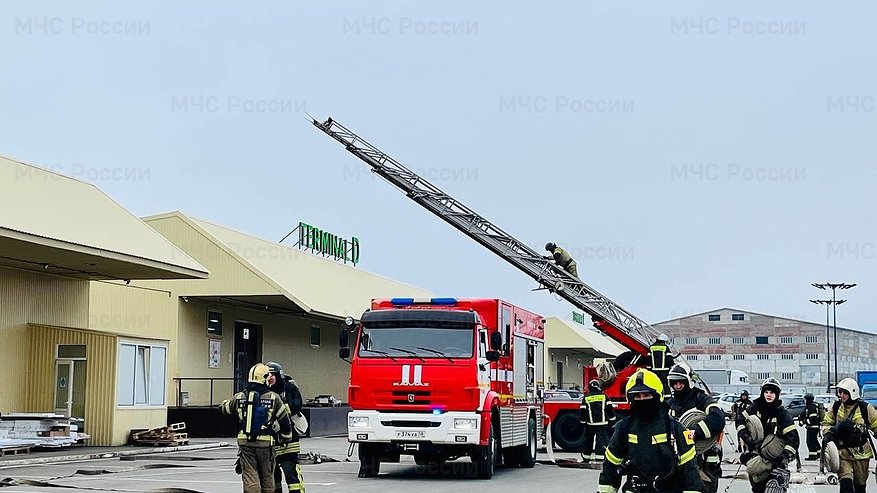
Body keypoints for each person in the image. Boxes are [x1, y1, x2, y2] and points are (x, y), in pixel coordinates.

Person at [599, 369, 703, 493]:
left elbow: (691, 478)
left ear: (658, 397)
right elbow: (610, 472)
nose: (642, 400)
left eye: (647, 395)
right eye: (637, 396)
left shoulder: (675, 428)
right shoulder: (623, 428)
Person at [221, 363, 293, 493]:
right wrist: (285, 439)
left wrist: (227, 403)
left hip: (245, 443)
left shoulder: (240, 396)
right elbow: (285, 423)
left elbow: (224, 409)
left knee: (250, 474)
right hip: (266, 444)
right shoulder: (273, 397)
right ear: (264, 378)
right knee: (267, 475)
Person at [666, 364, 725, 493]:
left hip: (704, 460)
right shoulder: (670, 404)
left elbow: (718, 418)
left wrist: (695, 432)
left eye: (681, 382)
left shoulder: (701, 399)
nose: (678, 386)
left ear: (689, 382)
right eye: (674, 383)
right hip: (677, 458)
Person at [736, 378, 799, 493]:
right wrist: (748, 439)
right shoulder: (754, 408)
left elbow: (794, 440)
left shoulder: (782, 414)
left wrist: (782, 458)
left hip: (775, 463)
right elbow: (739, 420)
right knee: (757, 489)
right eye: (766, 392)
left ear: (777, 394)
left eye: (772, 392)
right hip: (756, 460)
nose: (769, 395)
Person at [821, 378, 877, 493]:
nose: (841, 395)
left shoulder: (865, 408)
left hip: (862, 455)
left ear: (853, 392)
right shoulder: (835, 407)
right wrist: (830, 432)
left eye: (844, 392)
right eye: (840, 392)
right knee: (846, 485)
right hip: (843, 453)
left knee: (860, 487)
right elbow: (826, 423)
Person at [267, 362, 306, 493]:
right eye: (268, 375)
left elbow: (297, 405)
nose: (270, 377)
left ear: (279, 375)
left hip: (289, 440)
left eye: (273, 375)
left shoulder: (289, 387)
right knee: (273, 475)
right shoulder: (264, 390)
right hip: (271, 440)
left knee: (290, 472)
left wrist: (280, 411)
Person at [580, 379, 615, 468]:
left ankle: (586, 458)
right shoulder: (604, 396)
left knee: (588, 441)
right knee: (600, 441)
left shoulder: (586, 398)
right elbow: (610, 410)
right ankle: (599, 458)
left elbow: (583, 412)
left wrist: (582, 422)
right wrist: (612, 420)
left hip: (590, 424)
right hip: (602, 424)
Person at [798, 393, 823, 461]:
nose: (804, 401)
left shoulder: (812, 407)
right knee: (814, 441)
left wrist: (803, 422)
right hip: (812, 427)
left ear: (808, 399)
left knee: (810, 441)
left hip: (813, 427)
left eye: (805, 399)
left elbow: (812, 419)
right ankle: (819, 454)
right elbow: (803, 415)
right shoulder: (809, 406)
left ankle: (812, 455)